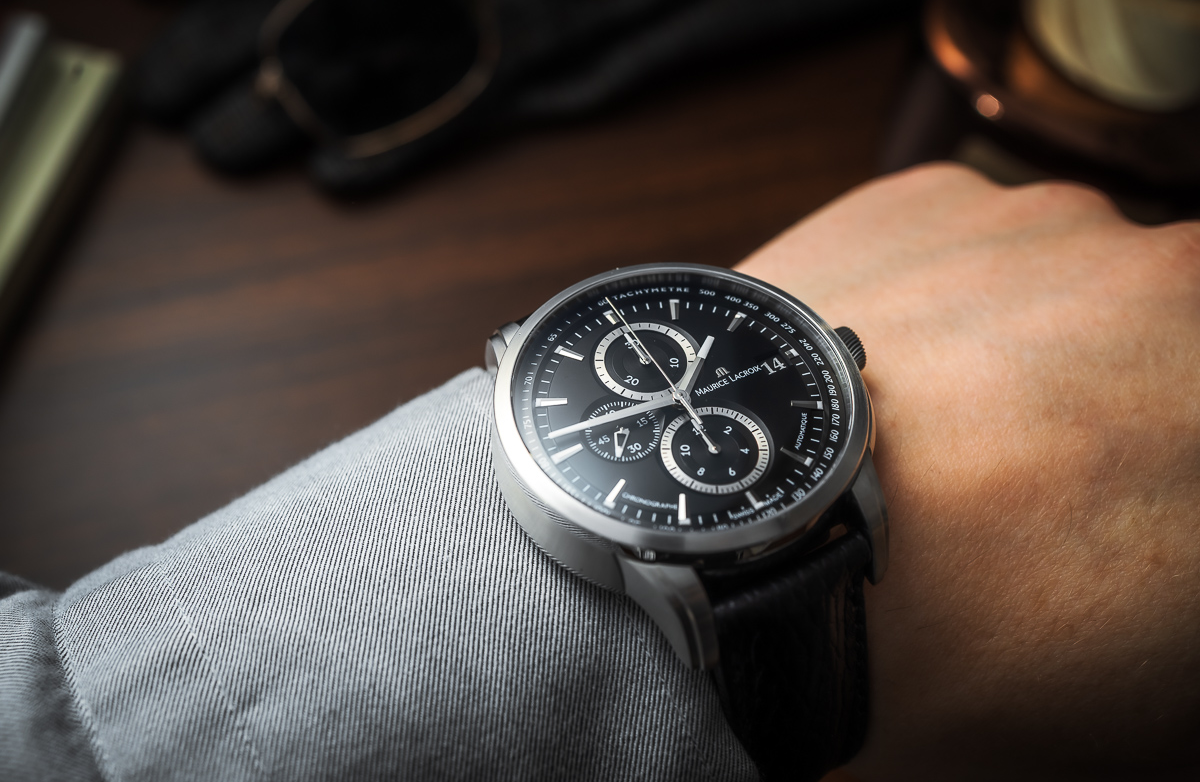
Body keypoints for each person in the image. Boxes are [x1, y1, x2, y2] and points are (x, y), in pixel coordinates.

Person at [2, 163, 1197, 781]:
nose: (676, 399)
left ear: (836, 352)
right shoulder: (656, 569)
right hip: (675, 553)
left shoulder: (843, 469)